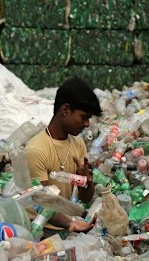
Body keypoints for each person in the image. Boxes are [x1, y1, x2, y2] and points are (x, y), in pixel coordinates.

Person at [26, 76, 102, 234]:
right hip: (39, 229)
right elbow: (43, 203)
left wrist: (87, 182)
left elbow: (86, 198)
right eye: (84, 117)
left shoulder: (78, 143)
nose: (87, 124)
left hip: (66, 227)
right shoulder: (36, 150)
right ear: (66, 110)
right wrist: (71, 224)